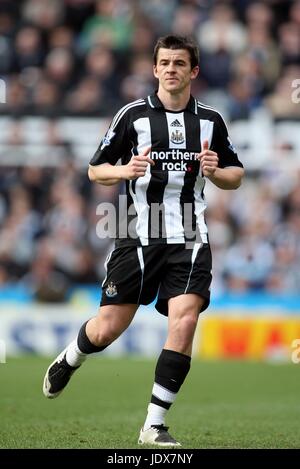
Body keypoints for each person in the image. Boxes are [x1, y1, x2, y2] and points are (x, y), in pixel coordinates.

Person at [43, 35, 244, 447]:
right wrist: (124, 171)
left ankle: (153, 424)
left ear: (194, 71)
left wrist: (216, 171)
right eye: (164, 62)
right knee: (107, 329)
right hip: (137, 233)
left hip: (190, 233)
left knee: (185, 320)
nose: (171, 69)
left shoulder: (211, 121)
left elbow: (235, 175)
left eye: (179, 63)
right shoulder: (132, 116)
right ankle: (71, 357)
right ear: (154, 69)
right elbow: (94, 170)